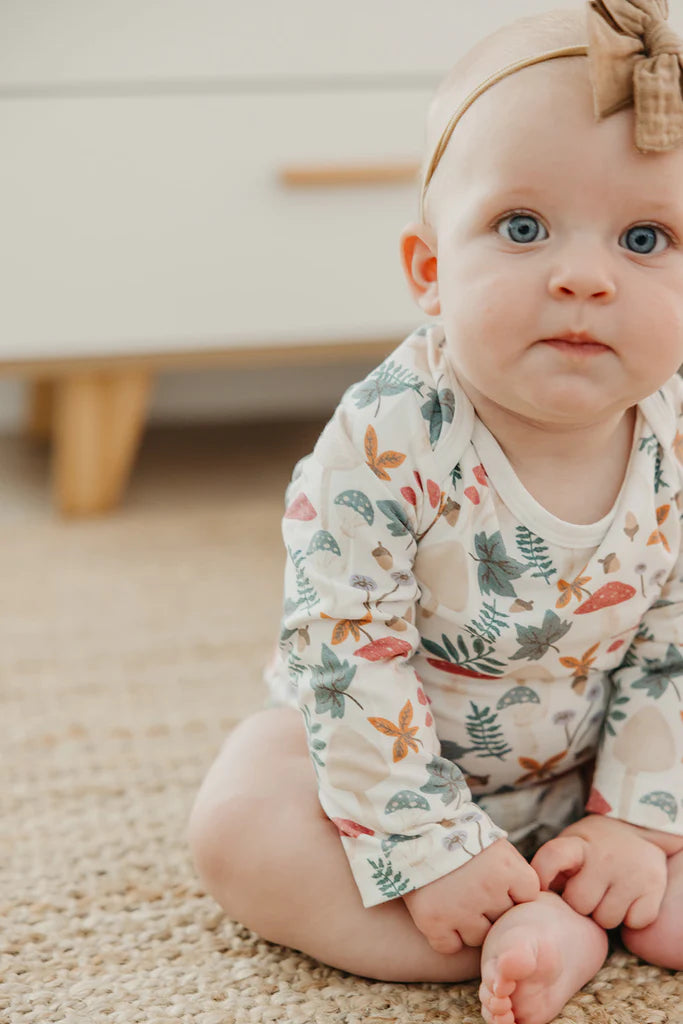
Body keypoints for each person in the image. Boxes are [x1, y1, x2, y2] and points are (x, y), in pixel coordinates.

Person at [188, 3, 683, 1022]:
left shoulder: (671, 436)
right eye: (520, 227)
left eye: (644, 238)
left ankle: (604, 883)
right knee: (240, 818)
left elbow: (673, 647)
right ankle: (525, 925)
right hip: (385, 771)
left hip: (589, 758)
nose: (582, 275)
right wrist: (423, 848)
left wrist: (637, 817)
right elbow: (345, 654)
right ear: (428, 270)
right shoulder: (383, 440)